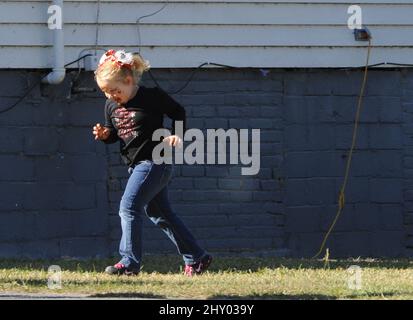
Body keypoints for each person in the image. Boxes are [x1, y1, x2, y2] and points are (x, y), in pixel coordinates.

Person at [92, 49, 212, 276]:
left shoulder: (151, 97)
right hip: (136, 165)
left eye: (115, 90)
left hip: (155, 161)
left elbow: (177, 111)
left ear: (128, 80)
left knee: (128, 207)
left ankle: (129, 263)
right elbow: (116, 135)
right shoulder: (111, 106)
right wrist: (105, 135)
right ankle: (197, 257)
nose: (110, 96)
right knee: (159, 213)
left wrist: (177, 134)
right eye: (105, 92)